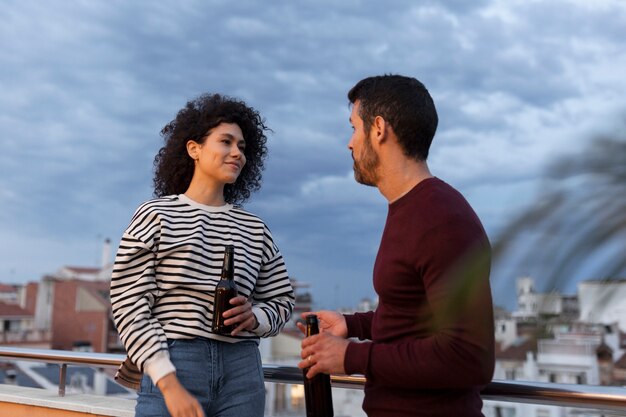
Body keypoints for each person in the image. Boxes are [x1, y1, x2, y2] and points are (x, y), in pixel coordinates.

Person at [298, 75, 495, 417]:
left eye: (353, 128)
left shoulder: (442, 218)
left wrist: (349, 356)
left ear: (378, 128)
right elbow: (413, 321)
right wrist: (353, 326)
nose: (349, 143)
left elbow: (470, 357)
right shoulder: (411, 209)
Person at [110, 93, 295, 417]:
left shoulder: (255, 228)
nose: (237, 152)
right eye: (226, 142)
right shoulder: (156, 215)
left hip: (242, 370)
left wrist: (255, 317)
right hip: (173, 362)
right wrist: (168, 383)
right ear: (194, 148)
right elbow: (129, 302)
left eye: (242, 146)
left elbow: (282, 300)